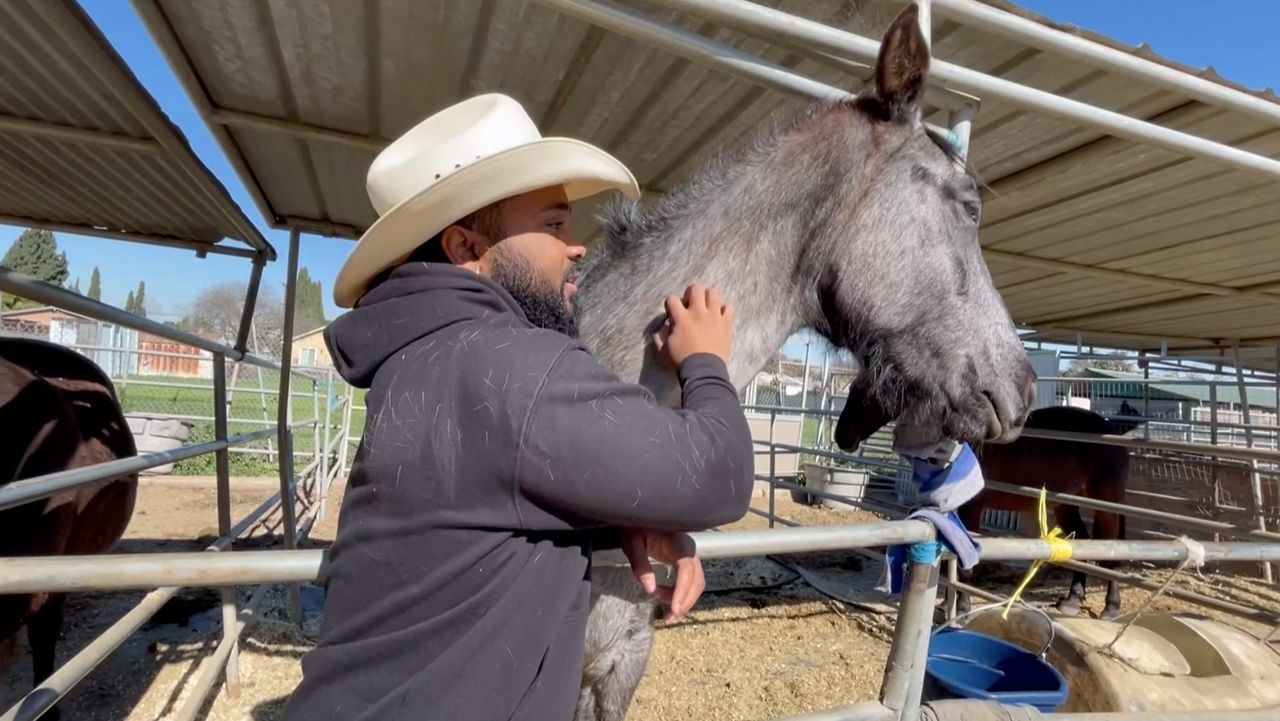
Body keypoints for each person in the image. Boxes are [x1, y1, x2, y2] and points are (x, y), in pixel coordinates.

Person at [281, 94, 755, 721]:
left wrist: (618, 522)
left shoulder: (417, 362)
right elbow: (719, 476)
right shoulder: (514, 364)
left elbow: (477, 509)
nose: (576, 247)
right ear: (463, 246)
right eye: (555, 225)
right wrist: (705, 360)